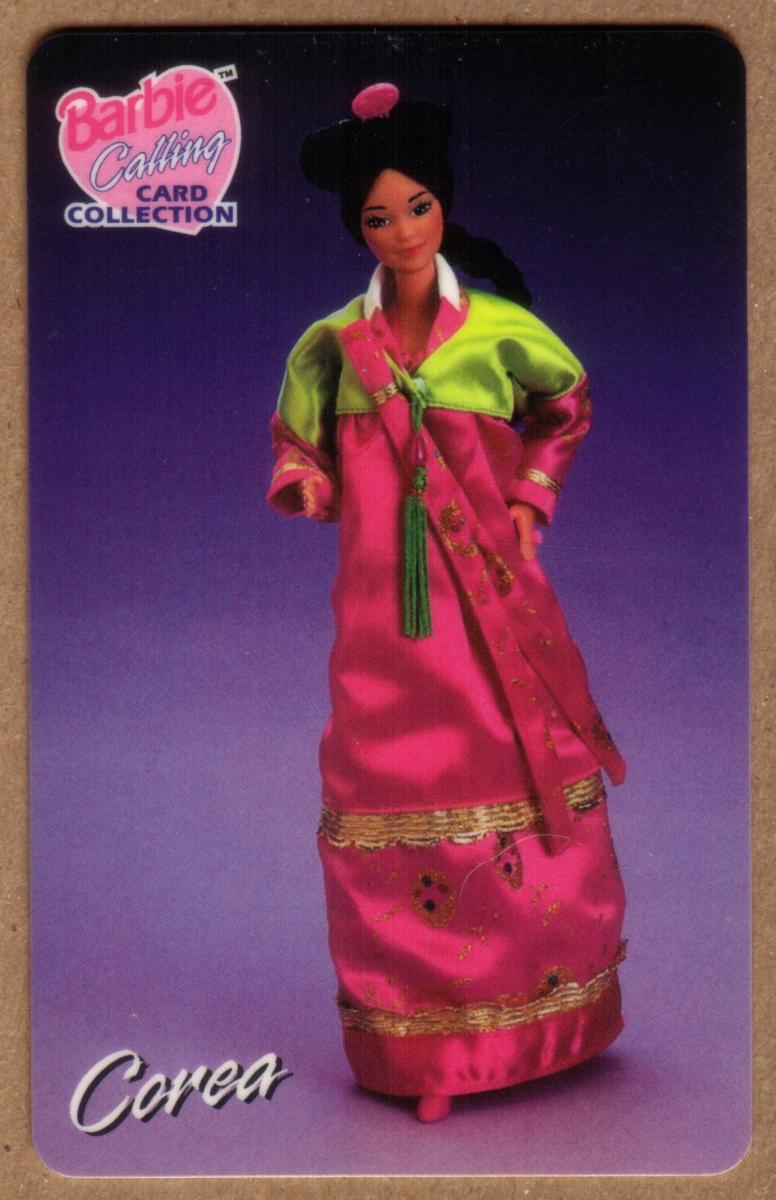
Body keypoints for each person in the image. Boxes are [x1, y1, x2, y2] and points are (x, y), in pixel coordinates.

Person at [267, 83, 627, 1123]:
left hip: (492, 601)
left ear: (443, 205)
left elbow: (564, 403)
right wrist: (311, 482)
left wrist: (530, 496)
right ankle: (425, 1042)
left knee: (511, 752)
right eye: (379, 217)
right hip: (383, 611)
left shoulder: (499, 331)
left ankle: (547, 1017)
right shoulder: (333, 345)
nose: (403, 232)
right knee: (383, 772)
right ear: (359, 229)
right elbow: (294, 439)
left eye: (417, 207)